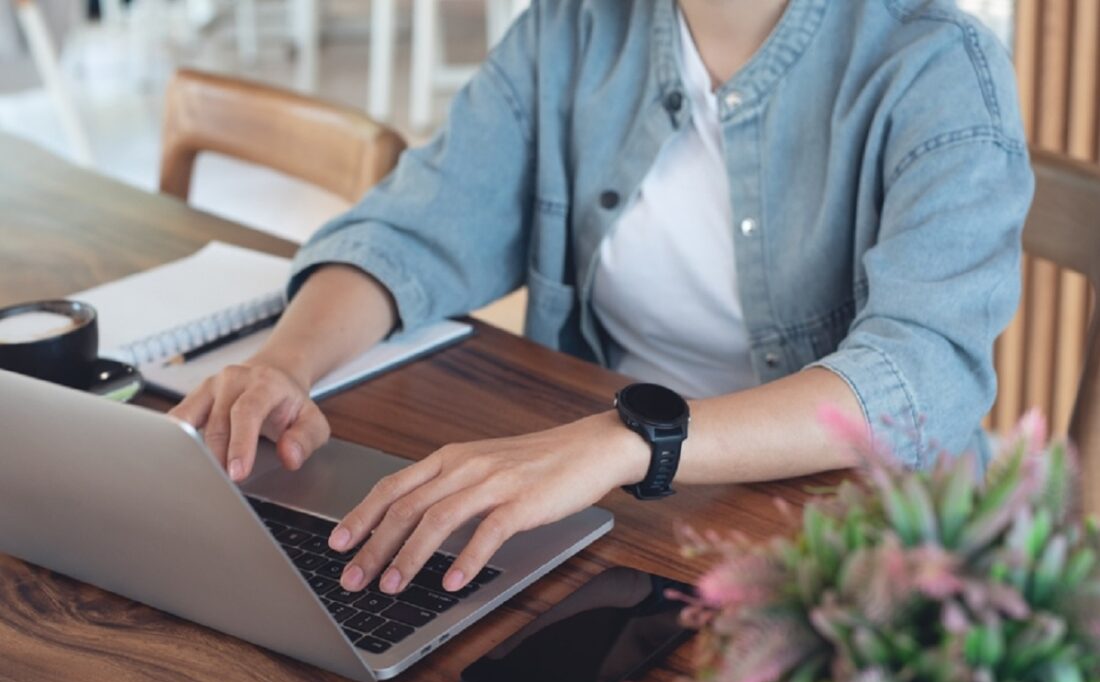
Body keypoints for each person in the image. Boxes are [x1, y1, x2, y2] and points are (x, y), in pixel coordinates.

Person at [170, 0, 1033, 598]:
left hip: (868, 556)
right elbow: (412, 226)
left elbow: (916, 378)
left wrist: (627, 441)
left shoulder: (938, 66)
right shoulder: (574, 28)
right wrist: (286, 362)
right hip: (629, 514)